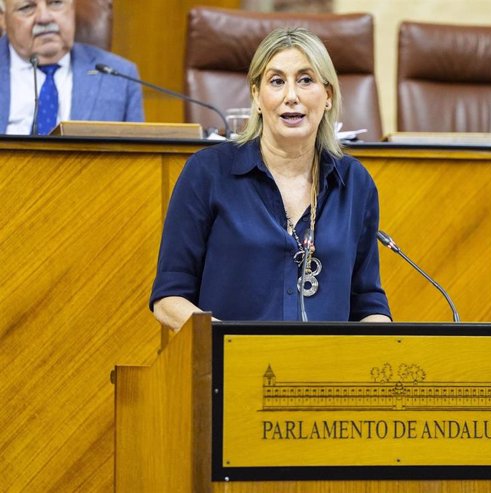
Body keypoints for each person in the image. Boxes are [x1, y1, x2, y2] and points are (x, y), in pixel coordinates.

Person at [150, 27, 391, 331]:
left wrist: (380, 347)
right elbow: (169, 298)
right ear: (257, 96)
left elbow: (368, 301)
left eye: (306, 80)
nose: (291, 96)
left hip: (324, 372)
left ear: (328, 96)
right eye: (277, 82)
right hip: (228, 370)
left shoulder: (355, 183)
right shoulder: (207, 173)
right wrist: (231, 345)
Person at [0, 0, 143, 135]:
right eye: (27, 8)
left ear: (72, 7)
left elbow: (140, 159)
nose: (44, 18)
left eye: (56, 3)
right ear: (3, 18)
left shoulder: (120, 77)